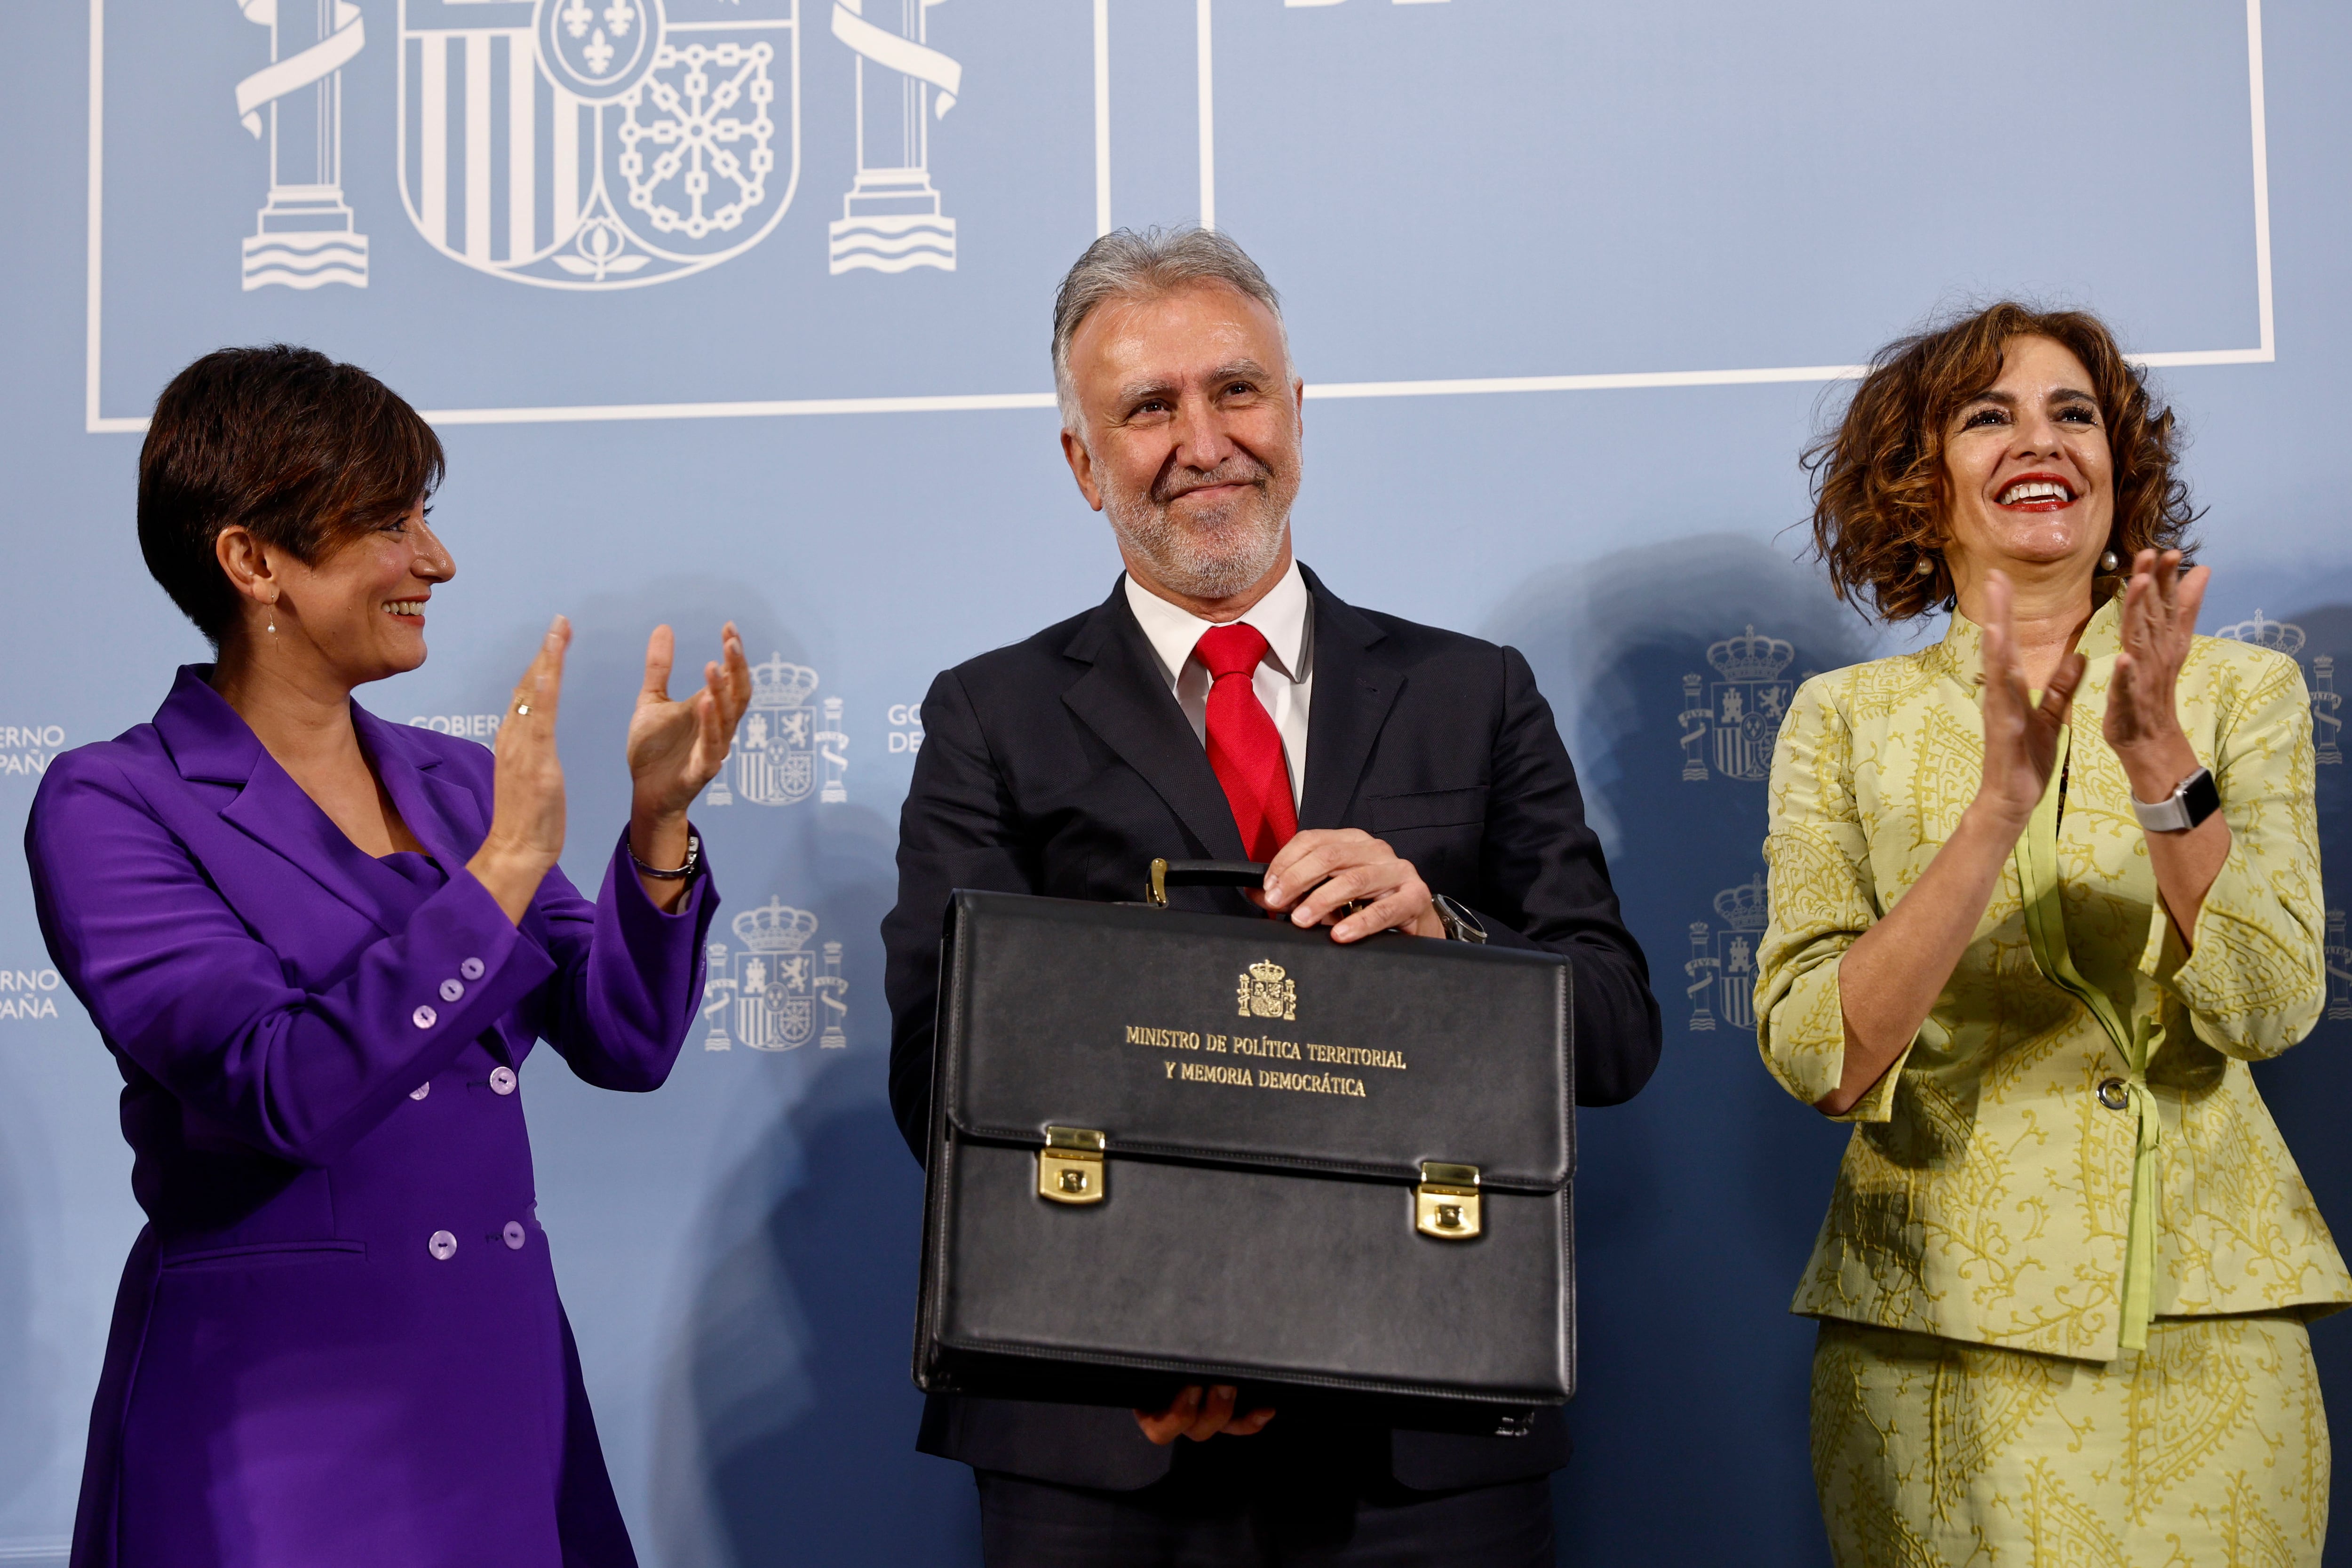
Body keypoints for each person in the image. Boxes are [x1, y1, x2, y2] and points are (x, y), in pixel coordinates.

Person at [881, 227, 1662, 1566]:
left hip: (1427, 1442)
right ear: (1083, 463)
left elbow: (1614, 1032)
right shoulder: (990, 718)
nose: (1204, 439)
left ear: (1296, 416)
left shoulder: (1475, 696)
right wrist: (1135, 1320)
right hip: (1111, 1442)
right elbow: (937, 1073)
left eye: (1236, 390)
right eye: (1147, 408)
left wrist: (1448, 932)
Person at [28, 345, 752, 1568]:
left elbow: (624, 1038)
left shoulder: (458, 782)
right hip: (278, 1417)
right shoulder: (115, 802)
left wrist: (658, 823)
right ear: (253, 560)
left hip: (498, 1385)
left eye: (426, 516)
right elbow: (276, 1085)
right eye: (385, 523)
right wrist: (501, 873)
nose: (436, 561)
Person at [1757, 302, 2347, 1564]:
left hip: (2205, 1328)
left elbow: (2267, 1005)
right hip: (1935, 1342)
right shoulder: (1843, 721)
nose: (2042, 441)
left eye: (2074, 414)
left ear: (2119, 463)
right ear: (1923, 478)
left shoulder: (2243, 694)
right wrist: (1991, 822)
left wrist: (2160, 767)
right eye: (1991, 417)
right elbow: (1821, 1057)